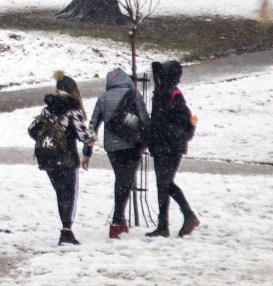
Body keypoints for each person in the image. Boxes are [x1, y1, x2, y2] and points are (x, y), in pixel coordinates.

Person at [82, 66, 149, 238]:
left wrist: (87, 151)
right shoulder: (134, 94)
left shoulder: (103, 98)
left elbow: (93, 125)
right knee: (125, 182)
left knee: (122, 180)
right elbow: (144, 120)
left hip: (112, 148)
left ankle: (120, 221)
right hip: (131, 145)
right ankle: (116, 222)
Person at [28, 72, 95, 246]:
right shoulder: (72, 109)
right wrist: (93, 133)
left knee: (60, 193)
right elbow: (84, 136)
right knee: (69, 194)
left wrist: (49, 139)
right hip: (66, 158)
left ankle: (66, 231)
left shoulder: (48, 108)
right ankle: (66, 232)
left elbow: (32, 129)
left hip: (48, 158)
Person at [145, 60, 199, 238]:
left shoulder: (172, 95)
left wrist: (164, 135)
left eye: (160, 75)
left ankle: (187, 215)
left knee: (165, 183)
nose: (157, 79)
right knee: (163, 184)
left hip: (169, 147)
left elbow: (180, 122)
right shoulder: (164, 94)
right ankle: (163, 224)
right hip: (165, 146)